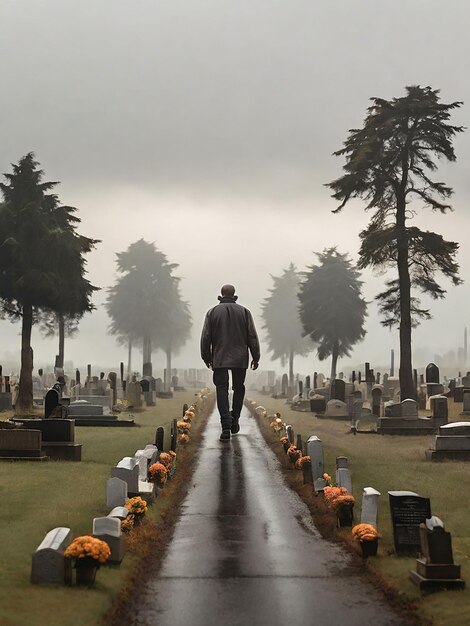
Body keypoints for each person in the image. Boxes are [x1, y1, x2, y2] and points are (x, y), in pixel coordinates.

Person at [200, 284, 260, 441]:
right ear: (234, 295)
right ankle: (235, 419)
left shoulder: (212, 312)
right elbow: (252, 336)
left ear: (221, 294)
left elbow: (206, 337)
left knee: (222, 389)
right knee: (239, 388)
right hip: (240, 358)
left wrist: (206, 357)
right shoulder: (244, 312)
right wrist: (256, 356)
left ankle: (225, 425)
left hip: (219, 357)